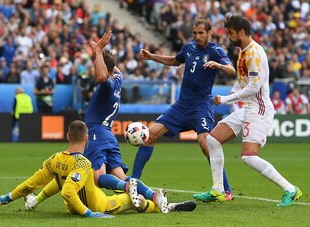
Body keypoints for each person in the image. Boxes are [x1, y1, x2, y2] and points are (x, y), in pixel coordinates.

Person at [193, 15, 302, 207]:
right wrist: (232, 93)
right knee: (212, 140)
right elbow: (243, 81)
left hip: (259, 109)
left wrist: (227, 98)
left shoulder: (255, 53)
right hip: (248, 108)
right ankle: (218, 191)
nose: (228, 37)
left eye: (231, 33)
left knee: (249, 157)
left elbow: (254, 87)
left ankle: (290, 189)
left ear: (241, 32)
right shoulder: (243, 51)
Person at [132, 19, 236, 200]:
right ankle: (132, 182)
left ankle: (224, 190)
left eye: (201, 33)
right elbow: (174, 60)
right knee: (150, 135)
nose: (197, 37)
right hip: (181, 105)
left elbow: (231, 70)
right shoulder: (188, 48)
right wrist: (152, 56)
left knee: (206, 143)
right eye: (195, 33)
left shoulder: (215, 51)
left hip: (201, 106)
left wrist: (218, 65)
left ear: (209, 33)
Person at [0, 120, 162, 218]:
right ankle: (159, 205)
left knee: (61, 179)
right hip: (101, 206)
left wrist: (7, 197)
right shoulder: (84, 164)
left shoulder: (54, 159)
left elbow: (31, 183)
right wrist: (90, 214)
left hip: (72, 207)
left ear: (68, 136)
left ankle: (34, 201)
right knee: (134, 199)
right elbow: (68, 192)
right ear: (87, 139)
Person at [82, 31, 169, 213]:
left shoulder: (106, 86)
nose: (94, 68)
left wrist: (98, 50)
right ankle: (153, 195)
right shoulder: (118, 80)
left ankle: (129, 189)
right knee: (121, 176)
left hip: (97, 133)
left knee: (99, 178)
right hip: (109, 135)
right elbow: (113, 69)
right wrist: (98, 54)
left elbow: (100, 76)